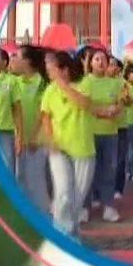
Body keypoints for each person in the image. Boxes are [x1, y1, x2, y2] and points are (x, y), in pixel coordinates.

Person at [37, 50, 98, 237]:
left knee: (77, 197)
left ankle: (72, 232)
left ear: (64, 69)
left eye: (53, 69)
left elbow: (84, 104)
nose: (49, 73)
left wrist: (63, 84)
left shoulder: (85, 84)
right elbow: (45, 116)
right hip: (59, 149)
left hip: (83, 148)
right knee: (63, 193)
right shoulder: (50, 90)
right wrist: (50, 139)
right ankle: (62, 235)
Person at [78, 46, 126, 222]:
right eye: (96, 59)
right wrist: (102, 112)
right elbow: (85, 105)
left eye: (103, 60)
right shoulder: (86, 83)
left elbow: (121, 103)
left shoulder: (115, 83)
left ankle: (109, 207)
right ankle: (84, 207)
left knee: (108, 170)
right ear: (91, 63)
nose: (100, 62)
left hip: (110, 133)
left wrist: (116, 110)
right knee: (88, 172)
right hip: (90, 134)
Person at [10, 44, 52, 209]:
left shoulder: (42, 84)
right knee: (19, 181)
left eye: (16, 56)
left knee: (36, 183)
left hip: (36, 143)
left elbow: (44, 114)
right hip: (17, 141)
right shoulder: (13, 82)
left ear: (27, 61)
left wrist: (35, 136)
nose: (12, 59)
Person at [0, 46, 18, 171]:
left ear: (4, 61)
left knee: (7, 169)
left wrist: (19, 135)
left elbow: (17, 109)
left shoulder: (11, 81)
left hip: (6, 133)